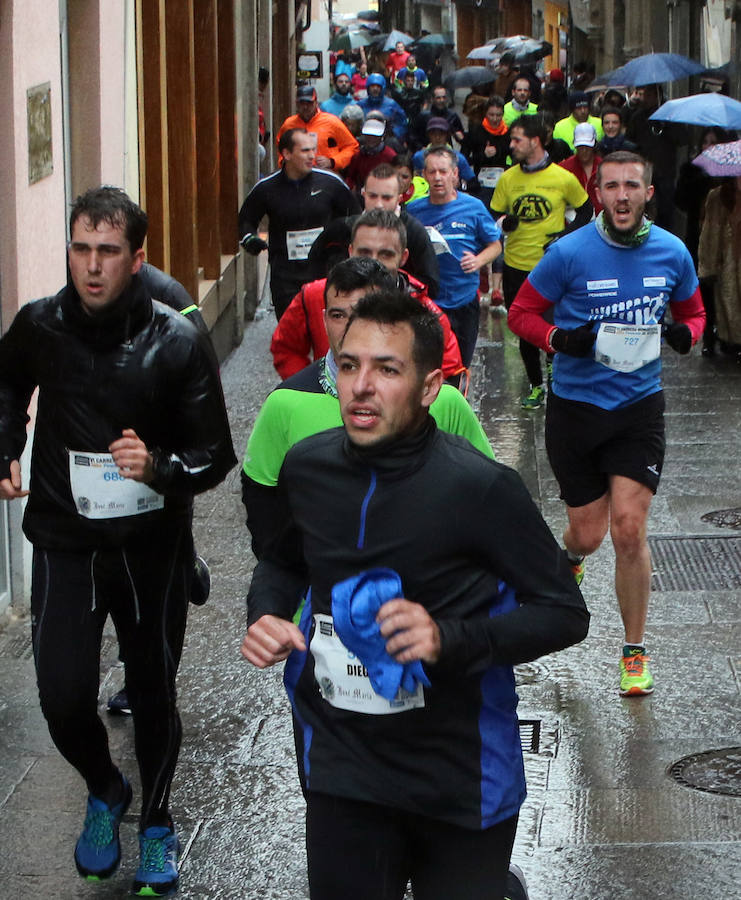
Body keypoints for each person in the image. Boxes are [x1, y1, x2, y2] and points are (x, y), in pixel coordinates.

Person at [241, 287, 589, 900]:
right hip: (344, 766)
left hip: (458, 774)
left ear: (430, 388)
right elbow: (284, 560)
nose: (361, 386)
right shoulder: (307, 467)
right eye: (348, 366)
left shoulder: (481, 488)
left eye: (387, 369)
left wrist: (446, 638)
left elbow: (564, 613)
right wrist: (266, 614)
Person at [0, 186, 236, 894]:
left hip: (147, 546)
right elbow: (7, 383)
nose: (92, 266)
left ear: (137, 258)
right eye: (80, 249)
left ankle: (157, 822)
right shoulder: (39, 326)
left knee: (153, 689)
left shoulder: (178, 339)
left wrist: (160, 467)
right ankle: (106, 789)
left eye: (107, 252)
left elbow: (214, 455)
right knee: (62, 697)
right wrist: (6, 445)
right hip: (65, 540)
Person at [508, 152, 705, 696]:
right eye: (612, 186)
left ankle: (634, 651)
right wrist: (560, 340)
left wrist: (687, 333)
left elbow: (693, 312)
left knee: (628, 528)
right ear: (597, 193)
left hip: (639, 409)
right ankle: (569, 556)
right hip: (576, 411)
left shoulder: (673, 251)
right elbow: (521, 314)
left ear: (648, 194)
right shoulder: (568, 254)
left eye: (632, 186)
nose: (622, 196)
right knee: (589, 533)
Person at [274, 208, 457, 379]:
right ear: (351, 251)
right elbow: (286, 348)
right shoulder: (314, 295)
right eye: (365, 252)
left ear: (403, 258)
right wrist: (314, 388)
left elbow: (448, 375)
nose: (374, 261)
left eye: (385, 254)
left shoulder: (427, 314)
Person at [490, 114, 592, 409]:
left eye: (517, 139)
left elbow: (586, 211)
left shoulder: (562, 177)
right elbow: (492, 216)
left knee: (556, 324)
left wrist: (565, 237)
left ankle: (555, 375)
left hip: (552, 267)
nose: (511, 145)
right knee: (523, 328)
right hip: (515, 266)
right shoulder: (509, 178)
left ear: (535, 141)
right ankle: (536, 386)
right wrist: (503, 223)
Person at [238, 128, 360, 319]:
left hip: (324, 272)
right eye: (304, 151)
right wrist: (250, 239)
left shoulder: (331, 183)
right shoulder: (266, 188)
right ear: (286, 154)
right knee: (290, 337)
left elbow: (356, 218)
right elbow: (245, 220)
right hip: (285, 276)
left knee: (323, 334)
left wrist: (341, 248)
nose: (312, 156)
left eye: (313, 150)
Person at [408, 147, 502, 367]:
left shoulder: (473, 207)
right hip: (428, 300)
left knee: (460, 365)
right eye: (431, 172)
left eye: (443, 171)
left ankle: (457, 400)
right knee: (429, 365)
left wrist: (479, 261)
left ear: (455, 173)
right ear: (424, 175)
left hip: (464, 299)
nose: (437, 178)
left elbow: (496, 245)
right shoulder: (413, 211)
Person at [307, 164, 440, 297]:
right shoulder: (342, 228)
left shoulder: (414, 232)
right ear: (363, 195)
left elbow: (430, 285)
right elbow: (314, 263)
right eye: (373, 196)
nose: (379, 205)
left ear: (399, 199)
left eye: (386, 198)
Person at [698, 173, 741, 361]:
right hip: (727, 259)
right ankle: (731, 341)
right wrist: (708, 266)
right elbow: (710, 232)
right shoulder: (717, 196)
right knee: (728, 301)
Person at [276, 85, 359, 173]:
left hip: (325, 175)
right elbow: (280, 147)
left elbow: (352, 146)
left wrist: (333, 161)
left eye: (309, 103)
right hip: (297, 175)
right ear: (296, 103)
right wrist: (284, 162)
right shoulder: (289, 124)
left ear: (316, 102)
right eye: (302, 103)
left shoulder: (332, 122)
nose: (305, 107)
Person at [411, 118, 477, 190]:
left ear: (447, 135)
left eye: (441, 134)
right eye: (434, 134)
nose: (437, 137)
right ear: (428, 135)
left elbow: (473, 183)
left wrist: (460, 185)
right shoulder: (418, 157)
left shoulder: (458, 158)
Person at [559, 122, 604, 213]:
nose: (584, 151)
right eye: (580, 147)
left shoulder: (605, 167)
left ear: (594, 145)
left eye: (587, 147)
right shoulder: (563, 168)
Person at [409, 85, 465, 152]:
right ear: (432, 99)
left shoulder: (452, 116)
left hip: (446, 152)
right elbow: (412, 135)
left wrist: (459, 137)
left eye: (444, 97)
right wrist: (420, 148)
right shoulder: (423, 116)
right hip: (427, 152)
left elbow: (462, 138)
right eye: (438, 98)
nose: (442, 100)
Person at [358, 74, 408, 143]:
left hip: (386, 141)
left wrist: (394, 134)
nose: (375, 89)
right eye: (372, 86)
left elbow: (402, 123)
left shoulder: (392, 105)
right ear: (368, 88)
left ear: (383, 88)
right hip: (365, 141)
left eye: (378, 86)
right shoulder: (360, 105)